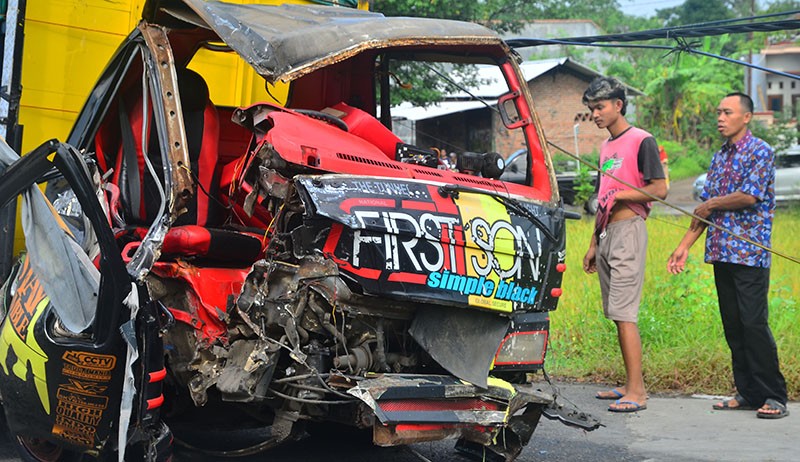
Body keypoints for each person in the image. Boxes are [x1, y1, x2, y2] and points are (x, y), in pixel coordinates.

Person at [667, 92, 789, 419]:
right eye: (718, 111)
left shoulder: (760, 151)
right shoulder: (719, 157)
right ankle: (748, 392)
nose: (720, 117)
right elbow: (704, 210)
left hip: (749, 254)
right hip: (722, 252)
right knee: (733, 326)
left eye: (727, 112)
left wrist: (711, 204)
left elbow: (749, 196)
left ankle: (774, 396)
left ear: (746, 117)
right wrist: (684, 246)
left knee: (753, 324)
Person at [582, 77, 667, 413]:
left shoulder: (642, 140)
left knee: (625, 313)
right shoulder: (606, 147)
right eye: (591, 110)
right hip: (606, 233)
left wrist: (623, 194)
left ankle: (638, 392)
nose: (596, 114)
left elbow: (659, 189)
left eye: (600, 107)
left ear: (619, 104)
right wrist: (592, 243)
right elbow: (603, 198)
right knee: (616, 314)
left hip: (629, 229)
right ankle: (630, 385)